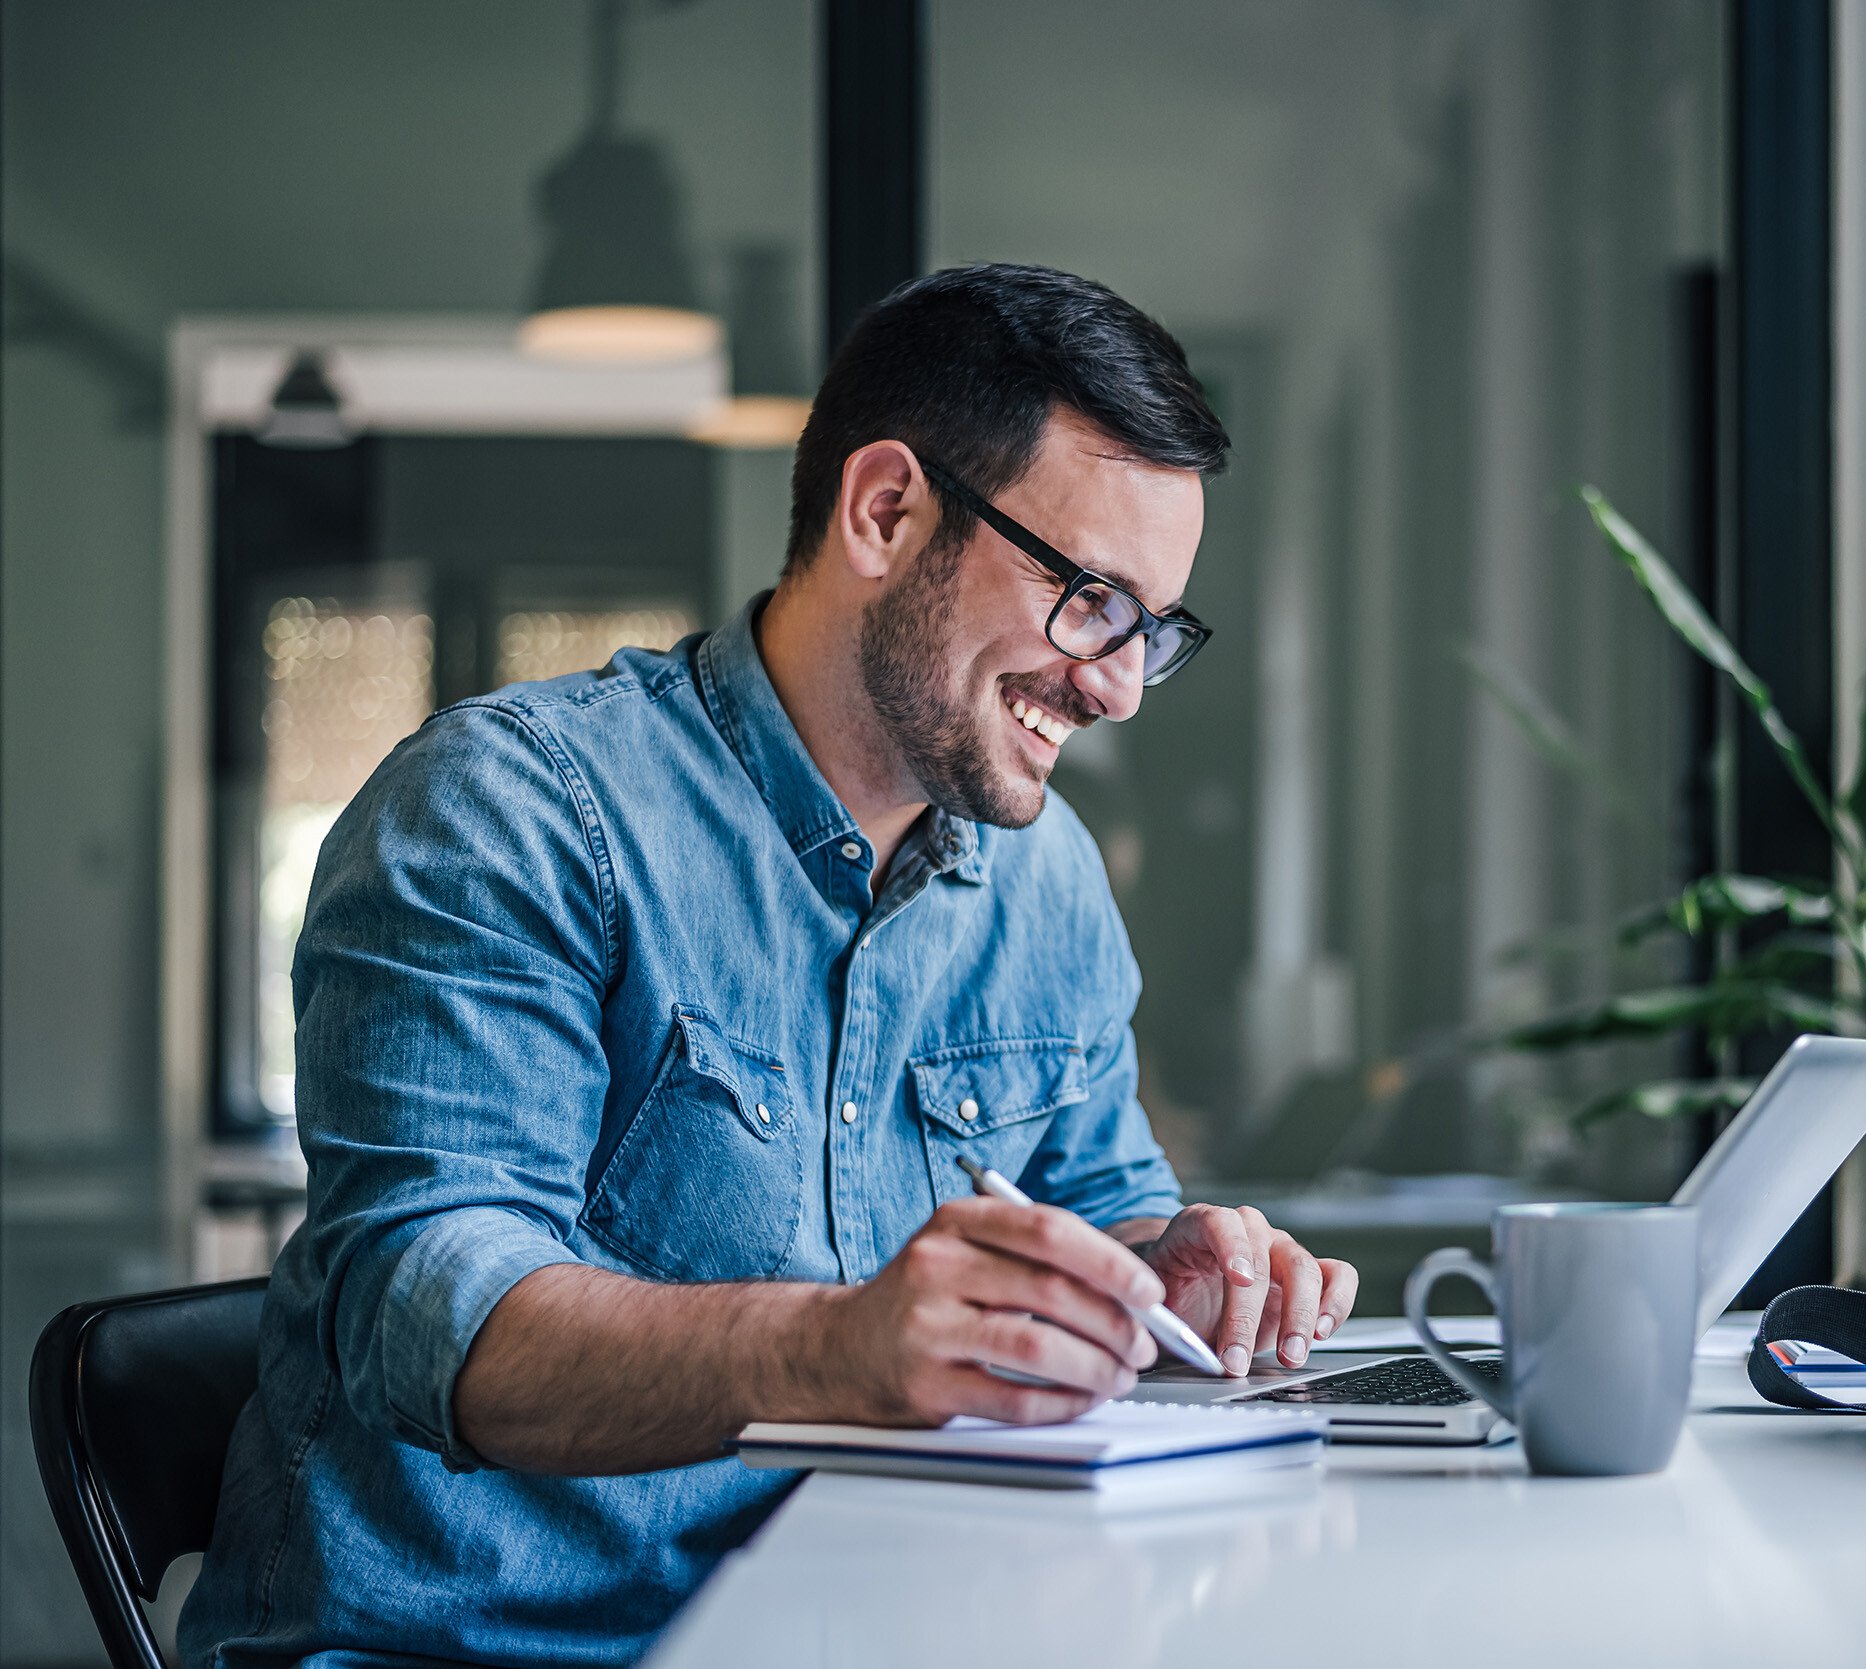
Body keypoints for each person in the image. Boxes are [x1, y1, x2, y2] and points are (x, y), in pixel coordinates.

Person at [181, 263, 1357, 1668]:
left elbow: (1100, 1211)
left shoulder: (1046, 883)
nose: (1114, 684)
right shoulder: (511, 807)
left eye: (1153, 629)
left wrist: (1169, 1282)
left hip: (864, 1627)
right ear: (884, 510)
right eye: (1091, 598)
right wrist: (842, 1348)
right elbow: (429, 1304)